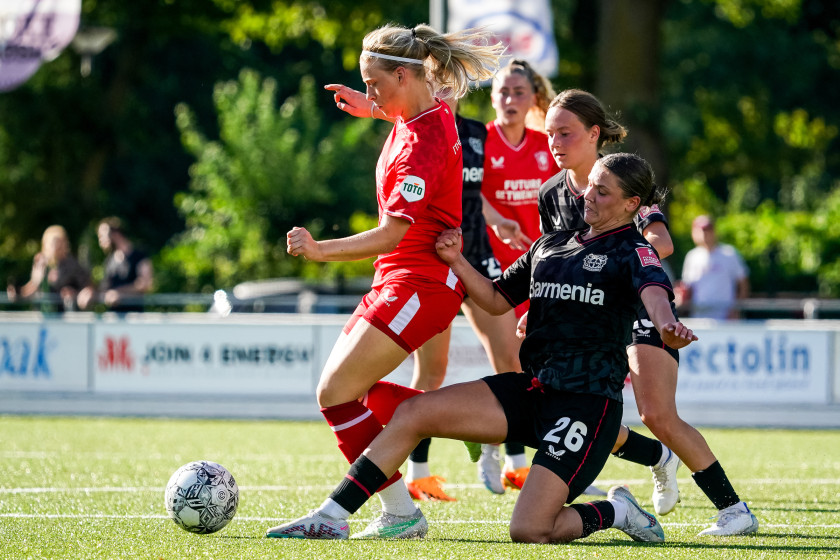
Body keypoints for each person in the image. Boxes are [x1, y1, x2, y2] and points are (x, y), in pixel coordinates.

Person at [266, 153, 697, 544]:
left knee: (530, 530)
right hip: (532, 391)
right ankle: (333, 515)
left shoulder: (634, 251)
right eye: (590, 186)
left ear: (630, 204)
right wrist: (456, 261)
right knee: (413, 414)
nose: (589, 195)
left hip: (585, 406)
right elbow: (494, 299)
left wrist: (667, 326)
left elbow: (656, 296)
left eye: (603, 191)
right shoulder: (550, 244)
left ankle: (616, 510)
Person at [282, 23, 504, 539]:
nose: (369, 92)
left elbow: (390, 233)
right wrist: (374, 107)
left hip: (419, 285)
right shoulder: (424, 108)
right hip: (399, 281)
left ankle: (392, 507)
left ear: (403, 76)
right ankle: (443, 433)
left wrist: (320, 250)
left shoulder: (422, 142)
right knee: (341, 394)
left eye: (374, 83)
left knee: (335, 393)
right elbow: (411, 104)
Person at [534, 89, 758, 536]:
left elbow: (662, 244)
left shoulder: (621, 178)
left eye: (565, 132)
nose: (555, 142)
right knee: (567, 407)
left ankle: (734, 510)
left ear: (593, 134)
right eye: (549, 134)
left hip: (638, 309)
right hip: (583, 321)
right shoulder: (550, 194)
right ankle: (656, 458)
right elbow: (553, 258)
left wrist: (620, 265)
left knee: (656, 414)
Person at [320, 82, 525, 502]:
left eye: (446, 81)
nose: (441, 89)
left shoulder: (455, 130)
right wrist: (377, 109)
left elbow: (457, 197)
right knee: (425, 376)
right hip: (432, 262)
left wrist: (319, 249)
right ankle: (427, 461)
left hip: (455, 264)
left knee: (510, 363)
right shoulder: (420, 123)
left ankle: (506, 455)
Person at [476, 59, 560, 494]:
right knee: (507, 360)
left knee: (539, 366)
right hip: (492, 267)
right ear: (492, 97)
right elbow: (469, 194)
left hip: (540, 267)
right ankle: (505, 452)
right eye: (503, 92)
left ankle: (537, 461)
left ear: (534, 98)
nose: (510, 100)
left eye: (519, 92)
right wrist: (496, 222)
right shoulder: (480, 141)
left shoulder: (547, 144)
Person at [679, 215, 750, 320]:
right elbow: (687, 288)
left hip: (725, 319)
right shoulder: (692, 256)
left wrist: (736, 309)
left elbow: (744, 285)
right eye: (700, 230)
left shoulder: (729, 253)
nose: (704, 234)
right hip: (698, 319)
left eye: (708, 229)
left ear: (714, 231)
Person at [77, 217, 154, 312]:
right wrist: (91, 293)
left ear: (115, 234)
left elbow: (145, 284)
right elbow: (105, 288)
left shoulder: (140, 256)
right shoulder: (109, 260)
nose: (100, 241)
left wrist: (119, 293)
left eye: (102, 236)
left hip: (134, 318)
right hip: (114, 318)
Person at [7, 225, 91, 312]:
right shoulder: (41, 265)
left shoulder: (73, 265)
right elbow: (32, 288)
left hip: (66, 316)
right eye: (52, 243)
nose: (55, 247)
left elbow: (87, 287)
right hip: (43, 316)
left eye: (58, 242)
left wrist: (76, 294)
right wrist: (18, 293)